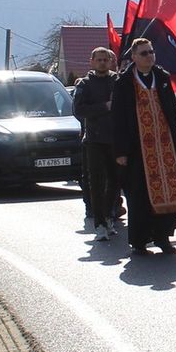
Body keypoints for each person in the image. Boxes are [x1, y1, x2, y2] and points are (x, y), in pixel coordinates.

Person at [111, 37, 176, 255]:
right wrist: (121, 151)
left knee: (166, 191)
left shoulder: (162, 78)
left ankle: (163, 236)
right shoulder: (124, 83)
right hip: (137, 150)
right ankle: (140, 240)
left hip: (164, 148)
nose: (149, 56)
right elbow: (117, 118)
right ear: (134, 57)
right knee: (140, 195)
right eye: (144, 53)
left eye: (151, 52)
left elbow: (173, 111)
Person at [74, 47, 122, 237]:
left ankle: (110, 216)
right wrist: (104, 107)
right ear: (92, 62)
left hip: (115, 139)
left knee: (115, 181)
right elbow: (79, 109)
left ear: (111, 62)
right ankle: (100, 222)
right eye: (99, 60)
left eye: (106, 59)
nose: (103, 62)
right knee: (96, 181)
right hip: (94, 140)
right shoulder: (84, 85)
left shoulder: (117, 82)